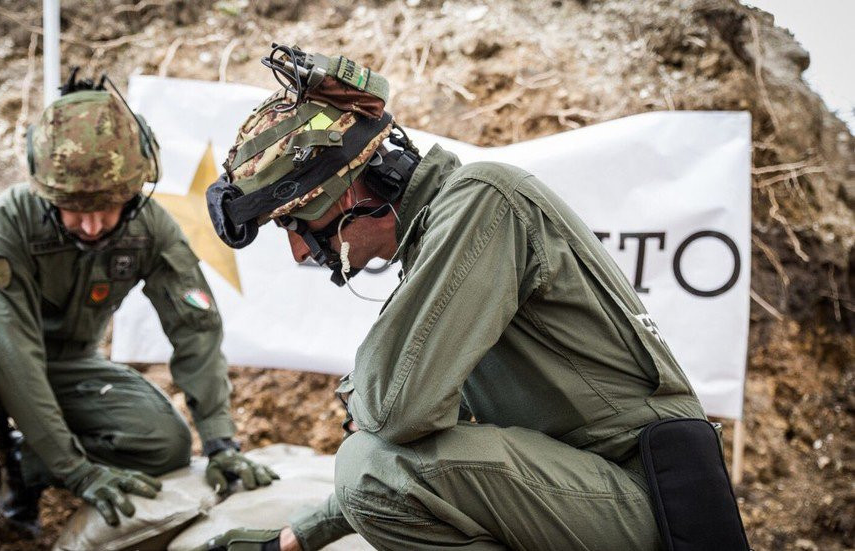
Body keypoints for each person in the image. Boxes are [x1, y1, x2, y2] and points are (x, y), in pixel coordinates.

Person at [198, 46, 712, 551]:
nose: (296, 249)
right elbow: (432, 435)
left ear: (349, 188)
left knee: (367, 468)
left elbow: (396, 413)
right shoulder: (442, 239)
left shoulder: (482, 199)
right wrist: (300, 536)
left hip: (652, 501)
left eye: (294, 220)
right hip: (598, 491)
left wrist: (362, 392)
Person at [0, 71, 276, 546]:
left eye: (106, 207)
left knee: (163, 443)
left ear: (134, 191)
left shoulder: (151, 228)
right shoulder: (4, 223)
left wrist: (220, 442)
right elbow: (13, 354)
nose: (90, 225)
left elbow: (196, 328)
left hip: (69, 364)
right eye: (72, 208)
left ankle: (23, 466)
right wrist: (79, 472)